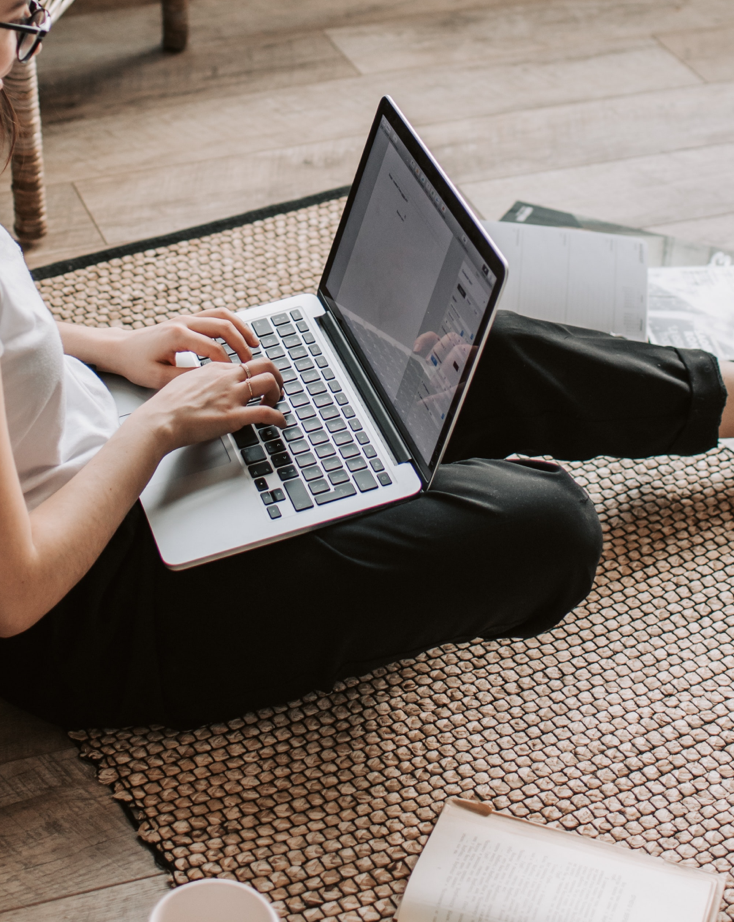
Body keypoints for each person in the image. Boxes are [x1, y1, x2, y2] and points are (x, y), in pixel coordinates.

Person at [0, 1, 732, 730]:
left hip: (105, 434)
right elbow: (15, 594)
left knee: (466, 348)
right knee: (550, 525)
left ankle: (721, 399)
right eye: (19, 19)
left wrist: (105, 346)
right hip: (97, 611)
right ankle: (378, 480)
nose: (33, 34)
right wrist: (156, 429)